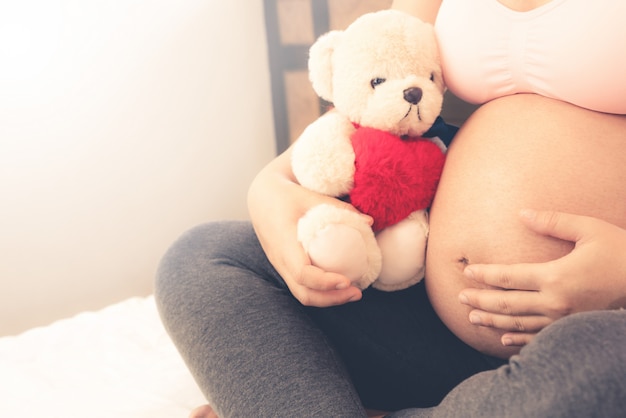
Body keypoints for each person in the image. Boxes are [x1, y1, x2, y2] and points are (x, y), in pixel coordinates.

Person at [155, 0, 626, 416]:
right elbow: (374, 82)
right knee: (206, 257)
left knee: (601, 362)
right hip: (432, 327)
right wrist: (270, 185)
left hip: (600, 325)